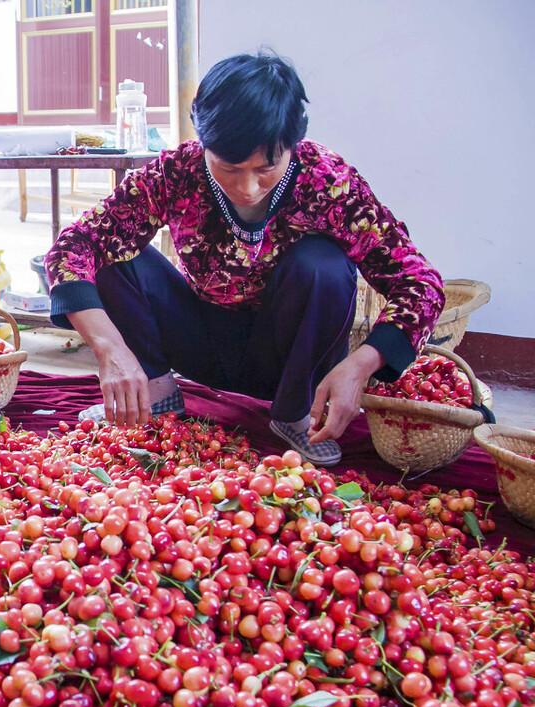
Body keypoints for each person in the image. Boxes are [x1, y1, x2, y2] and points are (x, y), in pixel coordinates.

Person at [45, 51, 444, 465]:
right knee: (113, 251)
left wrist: (361, 365)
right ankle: (156, 393)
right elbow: (74, 245)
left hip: (289, 358)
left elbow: (421, 284)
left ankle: (294, 416)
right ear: (204, 143)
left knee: (324, 264)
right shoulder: (176, 172)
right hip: (201, 340)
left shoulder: (328, 182)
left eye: (265, 169)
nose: (248, 188)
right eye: (229, 168)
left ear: (292, 144)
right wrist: (111, 349)